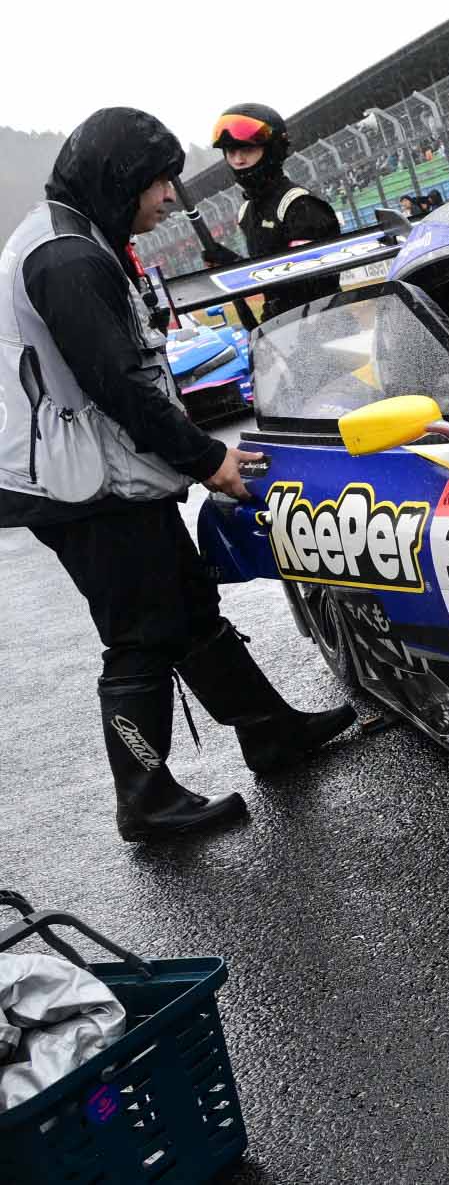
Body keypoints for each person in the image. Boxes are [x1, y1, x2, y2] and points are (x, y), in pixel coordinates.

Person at [0, 109, 355, 842]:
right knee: (140, 631)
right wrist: (207, 459)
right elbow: (119, 387)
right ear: (122, 179)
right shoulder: (66, 258)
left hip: (98, 469)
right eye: (160, 181)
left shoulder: (78, 235)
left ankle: (270, 731)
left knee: (187, 601)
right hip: (76, 486)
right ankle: (145, 798)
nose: (170, 197)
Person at [210, 103, 339, 261]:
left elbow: (310, 274)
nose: (238, 160)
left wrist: (236, 265)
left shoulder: (300, 206)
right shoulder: (246, 211)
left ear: (272, 150)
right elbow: (266, 267)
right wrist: (233, 265)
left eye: (247, 149)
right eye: (231, 151)